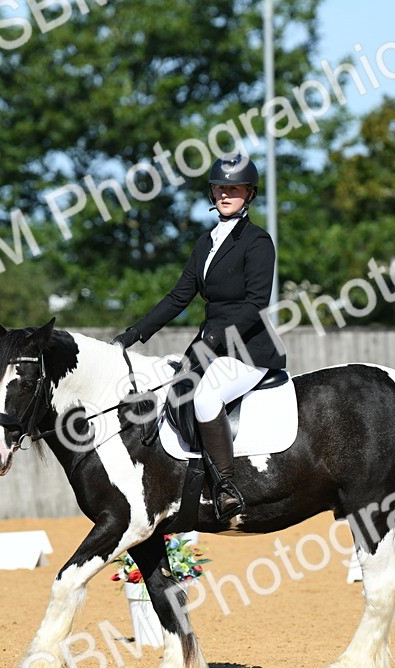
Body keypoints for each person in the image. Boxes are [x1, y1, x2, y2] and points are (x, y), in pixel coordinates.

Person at [111, 153, 285, 521]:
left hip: (248, 349)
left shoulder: (258, 241)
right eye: (219, 187)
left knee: (206, 397)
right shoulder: (206, 241)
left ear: (249, 194)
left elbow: (256, 303)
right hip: (209, 345)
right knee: (168, 391)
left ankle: (225, 487)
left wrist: (214, 337)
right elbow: (178, 296)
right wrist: (133, 334)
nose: (225, 194)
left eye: (233, 188)